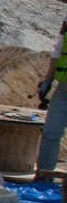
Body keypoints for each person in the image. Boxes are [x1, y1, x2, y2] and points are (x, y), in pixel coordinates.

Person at [38, 19, 67, 173]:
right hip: (64, 87)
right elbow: (58, 50)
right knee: (51, 132)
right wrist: (48, 79)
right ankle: (44, 175)